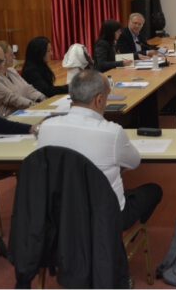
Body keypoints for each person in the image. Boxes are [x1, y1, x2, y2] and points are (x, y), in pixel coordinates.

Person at [38, 69, 163, 231]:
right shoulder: (112, 132)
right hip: (105, 218)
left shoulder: (46, 127)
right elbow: (134, 162)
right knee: (154, 190)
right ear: (99, 100)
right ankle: (130, 235)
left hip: (60, 215)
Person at [0, 40, 46, 117]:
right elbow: (12, 98)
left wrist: (43, 98)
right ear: (2, 57)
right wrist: (35, 105)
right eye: (11, 54)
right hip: (8, 118)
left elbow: (28, 89)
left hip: (24, 112)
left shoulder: (12, 71)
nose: (14, 57)